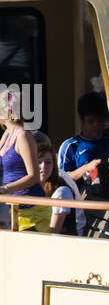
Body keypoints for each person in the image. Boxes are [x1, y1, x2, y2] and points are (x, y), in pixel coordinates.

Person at [0, 89, 44, 228]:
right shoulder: (6, 134)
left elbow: (34, 176)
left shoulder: (23, 136)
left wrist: (6, 188)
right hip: (14, 206)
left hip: (32, 210)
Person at [31, 132, 83, 235]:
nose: (43, 167)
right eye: (39, 162)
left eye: (48, 162)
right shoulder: (30, 185)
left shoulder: (61, 190)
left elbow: (54, 233)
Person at [57, 91, 109, 181]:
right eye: (91, 121)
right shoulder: (71, 146)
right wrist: (87, 168)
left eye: (100, 121)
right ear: (82, 121)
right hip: (82, 194)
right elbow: (61, 178)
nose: (96, 126)